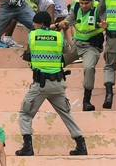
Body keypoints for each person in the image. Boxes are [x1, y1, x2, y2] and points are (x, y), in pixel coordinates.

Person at [16, 11, 87, 156]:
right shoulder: (59, 36)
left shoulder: (33, 35)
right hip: (58, 84)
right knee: (66, 113)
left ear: (41, 24)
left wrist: (56, 26)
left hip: (40, 85)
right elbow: (68, 49)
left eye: (35, 23)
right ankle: (81, 144)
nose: (33, 25)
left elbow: (34, 40)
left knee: (25, 113)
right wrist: (64, 30)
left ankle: (28, 147)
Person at [56, 0, 104, 111]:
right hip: (77, 44)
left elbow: (107, 22)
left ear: (92, 1)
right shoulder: (76, 5)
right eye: (81, 2)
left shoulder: (99, 8)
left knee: (88, 67)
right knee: (57, 63)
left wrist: (105, 25)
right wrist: (65, 23)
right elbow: (69, 18)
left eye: (86, 3)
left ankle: (86, 100)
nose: (83, 5)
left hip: (91, 46)